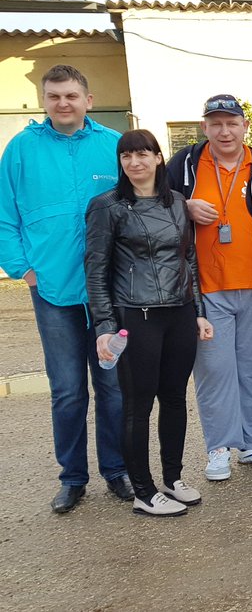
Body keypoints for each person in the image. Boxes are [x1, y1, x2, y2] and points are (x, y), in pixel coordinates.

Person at [0, 64, 132, 513]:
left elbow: (138, 206)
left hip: (109, 292)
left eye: (71, 95)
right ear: (44, 100)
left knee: (113, 386)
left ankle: (117, 471)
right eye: (54, 96)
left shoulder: (113, 147)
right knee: (68, 389)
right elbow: (5, 215)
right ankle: (73, 477)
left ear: (87, 100)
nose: (63, 103)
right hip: (53, 290)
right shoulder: (21, 150)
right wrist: (22, 269)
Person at [85, 129, 214, 516]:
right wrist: (105, 326)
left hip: (177, 314)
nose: (135, 162)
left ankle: (172, 479)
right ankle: (143, 490)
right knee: (137, 405)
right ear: (121, 163)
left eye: (143, 154)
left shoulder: (177, 202)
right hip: (134, 316)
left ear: (159, 158)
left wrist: (198, 312)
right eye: (127, 156)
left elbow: (188, 260)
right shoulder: (107, 206)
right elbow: (96, 271)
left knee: (174, 398)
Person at [166, 94, 252, 483]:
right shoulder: (184, 165)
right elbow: (153, 205)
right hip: (205, 289)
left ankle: (251, 443)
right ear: (204, 127)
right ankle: (218, 447)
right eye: (215, 123)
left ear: (244, 127)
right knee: (215, 371)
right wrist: (183, 207)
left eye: (231, 123)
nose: (224, 131)